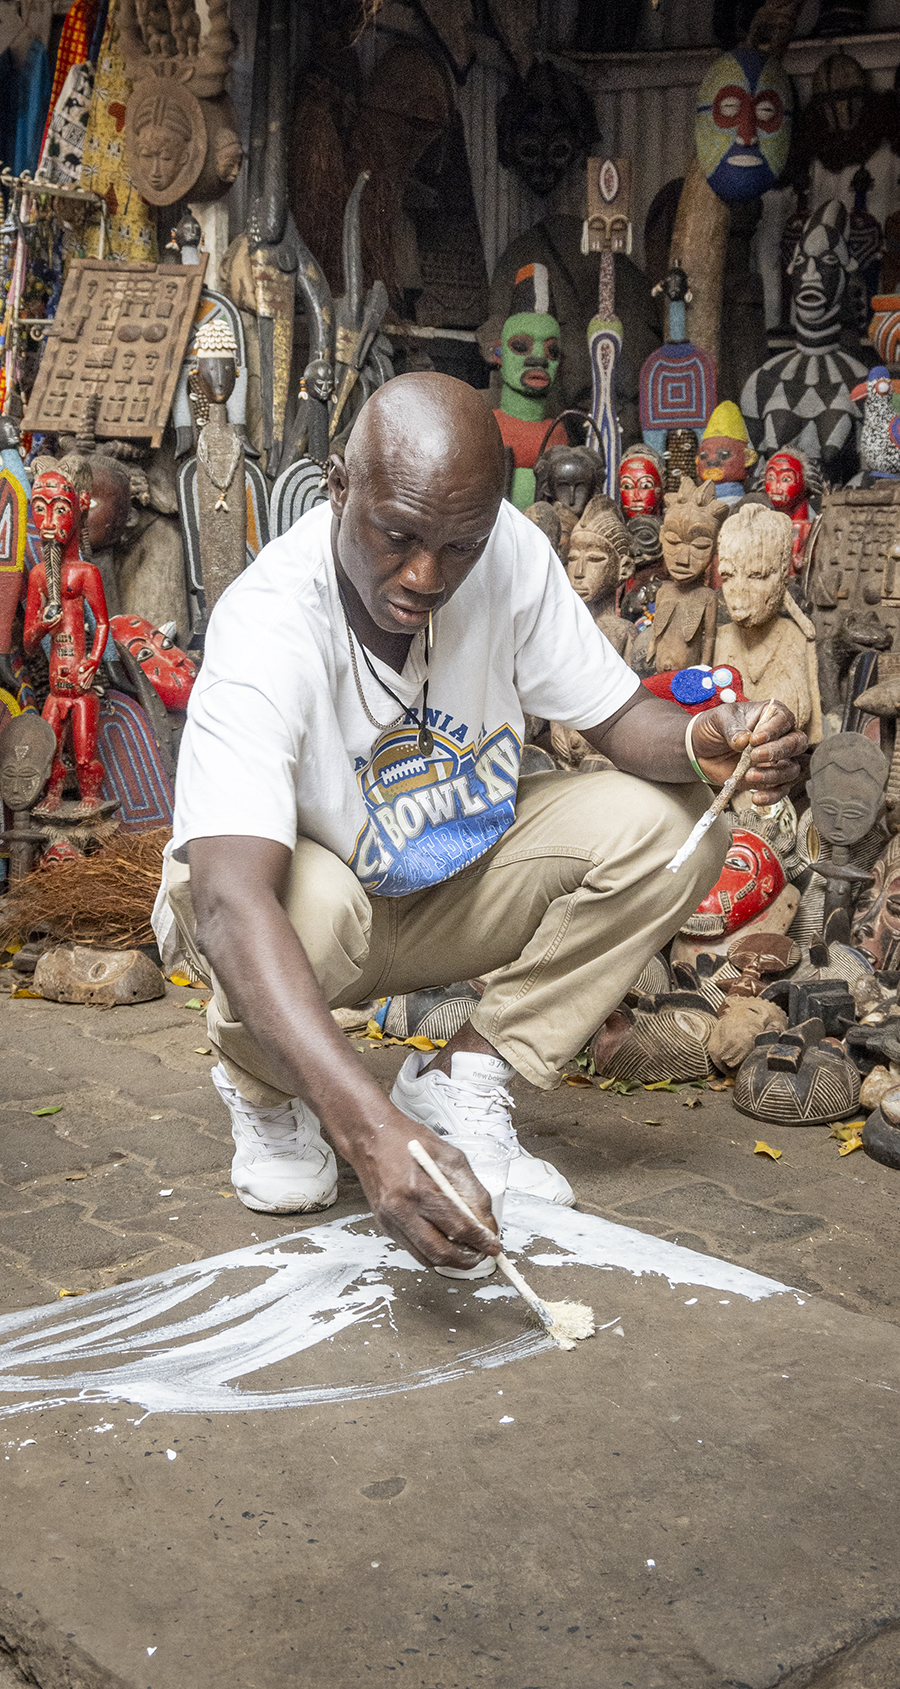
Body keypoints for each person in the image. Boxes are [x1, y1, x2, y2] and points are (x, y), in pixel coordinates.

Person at [153, 375, 806, 1278]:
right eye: (397, 537)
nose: (426, 577)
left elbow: (620, 718)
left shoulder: (508, 556)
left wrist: (705, 739)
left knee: (670, 826)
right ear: (337, 487)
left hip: (445, 886)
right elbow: (230, 901)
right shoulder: (268, 623)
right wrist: (372, 1136)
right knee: (310, 903)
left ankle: (462, 1075)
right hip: (307, 917)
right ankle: (266, 1088)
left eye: (459, 545)